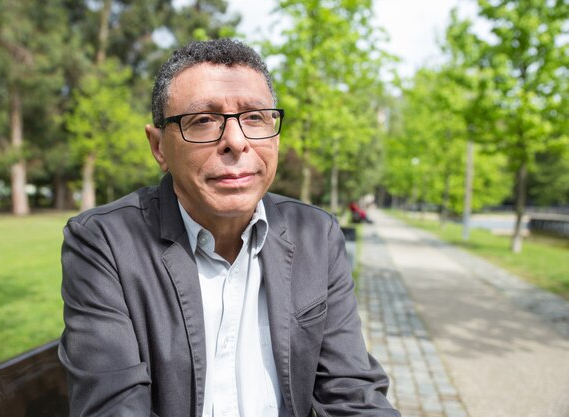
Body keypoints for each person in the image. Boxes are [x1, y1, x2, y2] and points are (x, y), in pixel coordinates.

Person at [58, 38, 399, 417]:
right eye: (203, 120)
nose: (236, 141)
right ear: (158, 148)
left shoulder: (316, 235)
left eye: (255, 117)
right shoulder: (104, 243)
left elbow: (351, 392)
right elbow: (114, 409)